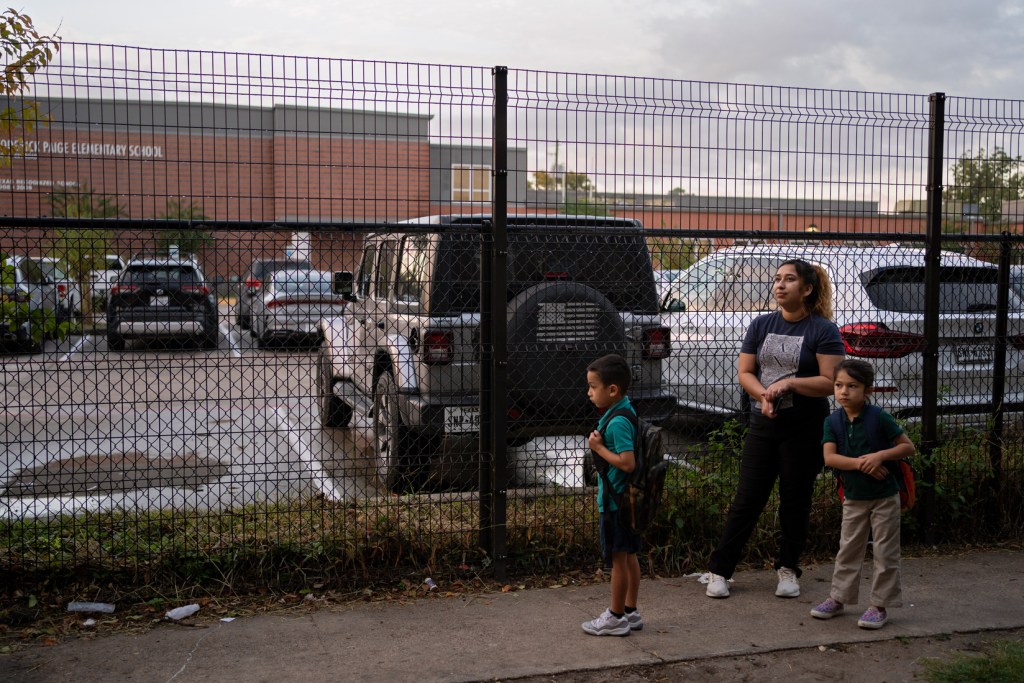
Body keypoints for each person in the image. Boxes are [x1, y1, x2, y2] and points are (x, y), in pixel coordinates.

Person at [704, 258, 845, 599]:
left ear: (807, 289)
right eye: (777, 279)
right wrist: (764, 395)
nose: (780, 285)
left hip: (804, 428)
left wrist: (790, 385)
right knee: (747, 500)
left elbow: (830, 382)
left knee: (795, 501)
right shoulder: (761, 324)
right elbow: (745, 373)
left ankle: (788, 570)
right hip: (762, 424)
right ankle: (720, 572)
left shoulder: (823, 330)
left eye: (789, 280)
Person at [810, 359, 915, 629]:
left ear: (867, 389)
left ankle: (879, 605)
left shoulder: (879, 417)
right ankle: (838, 598)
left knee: (885, 551)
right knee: (848, 549)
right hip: (854, 497)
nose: (844, 392)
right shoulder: (832, 421)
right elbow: (830, 458)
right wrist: (861, 464)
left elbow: (907, 447)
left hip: (884, 497)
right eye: (839, 385)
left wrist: (880, 456)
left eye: (852, 386)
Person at [581, 354, 643, 636]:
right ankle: (631, 611)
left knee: (619, 560)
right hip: (626, 501)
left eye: (593, 386)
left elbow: (627, 462)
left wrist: (599, 449)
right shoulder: (625, 410)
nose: (589, 393)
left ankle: (616, 616)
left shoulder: (617, 422)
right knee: (629, 556)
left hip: (616, 502)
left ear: (613, 390)